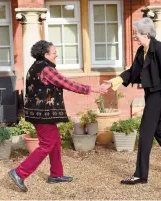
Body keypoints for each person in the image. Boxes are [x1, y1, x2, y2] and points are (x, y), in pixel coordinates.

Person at [100, 17, 161, 185]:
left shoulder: (160, 50)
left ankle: (140, 175)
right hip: (150, 94)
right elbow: (132, 72)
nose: (134, 36)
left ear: (145, 33)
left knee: (145, 133)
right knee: (158, 130)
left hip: (159, 95)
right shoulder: (142, 51)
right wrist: (113, 82)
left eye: (136, 33)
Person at [9, 40, 103, 192]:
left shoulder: (34, 67)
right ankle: (20, 173)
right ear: (45, 54)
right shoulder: (46, 69)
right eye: (54, 53)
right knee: (47, 144)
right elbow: (66, 83)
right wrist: (93, 88)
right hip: (43, 115)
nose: (56, 55)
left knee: (55, 141)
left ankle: (56, 174)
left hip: (39, 113)